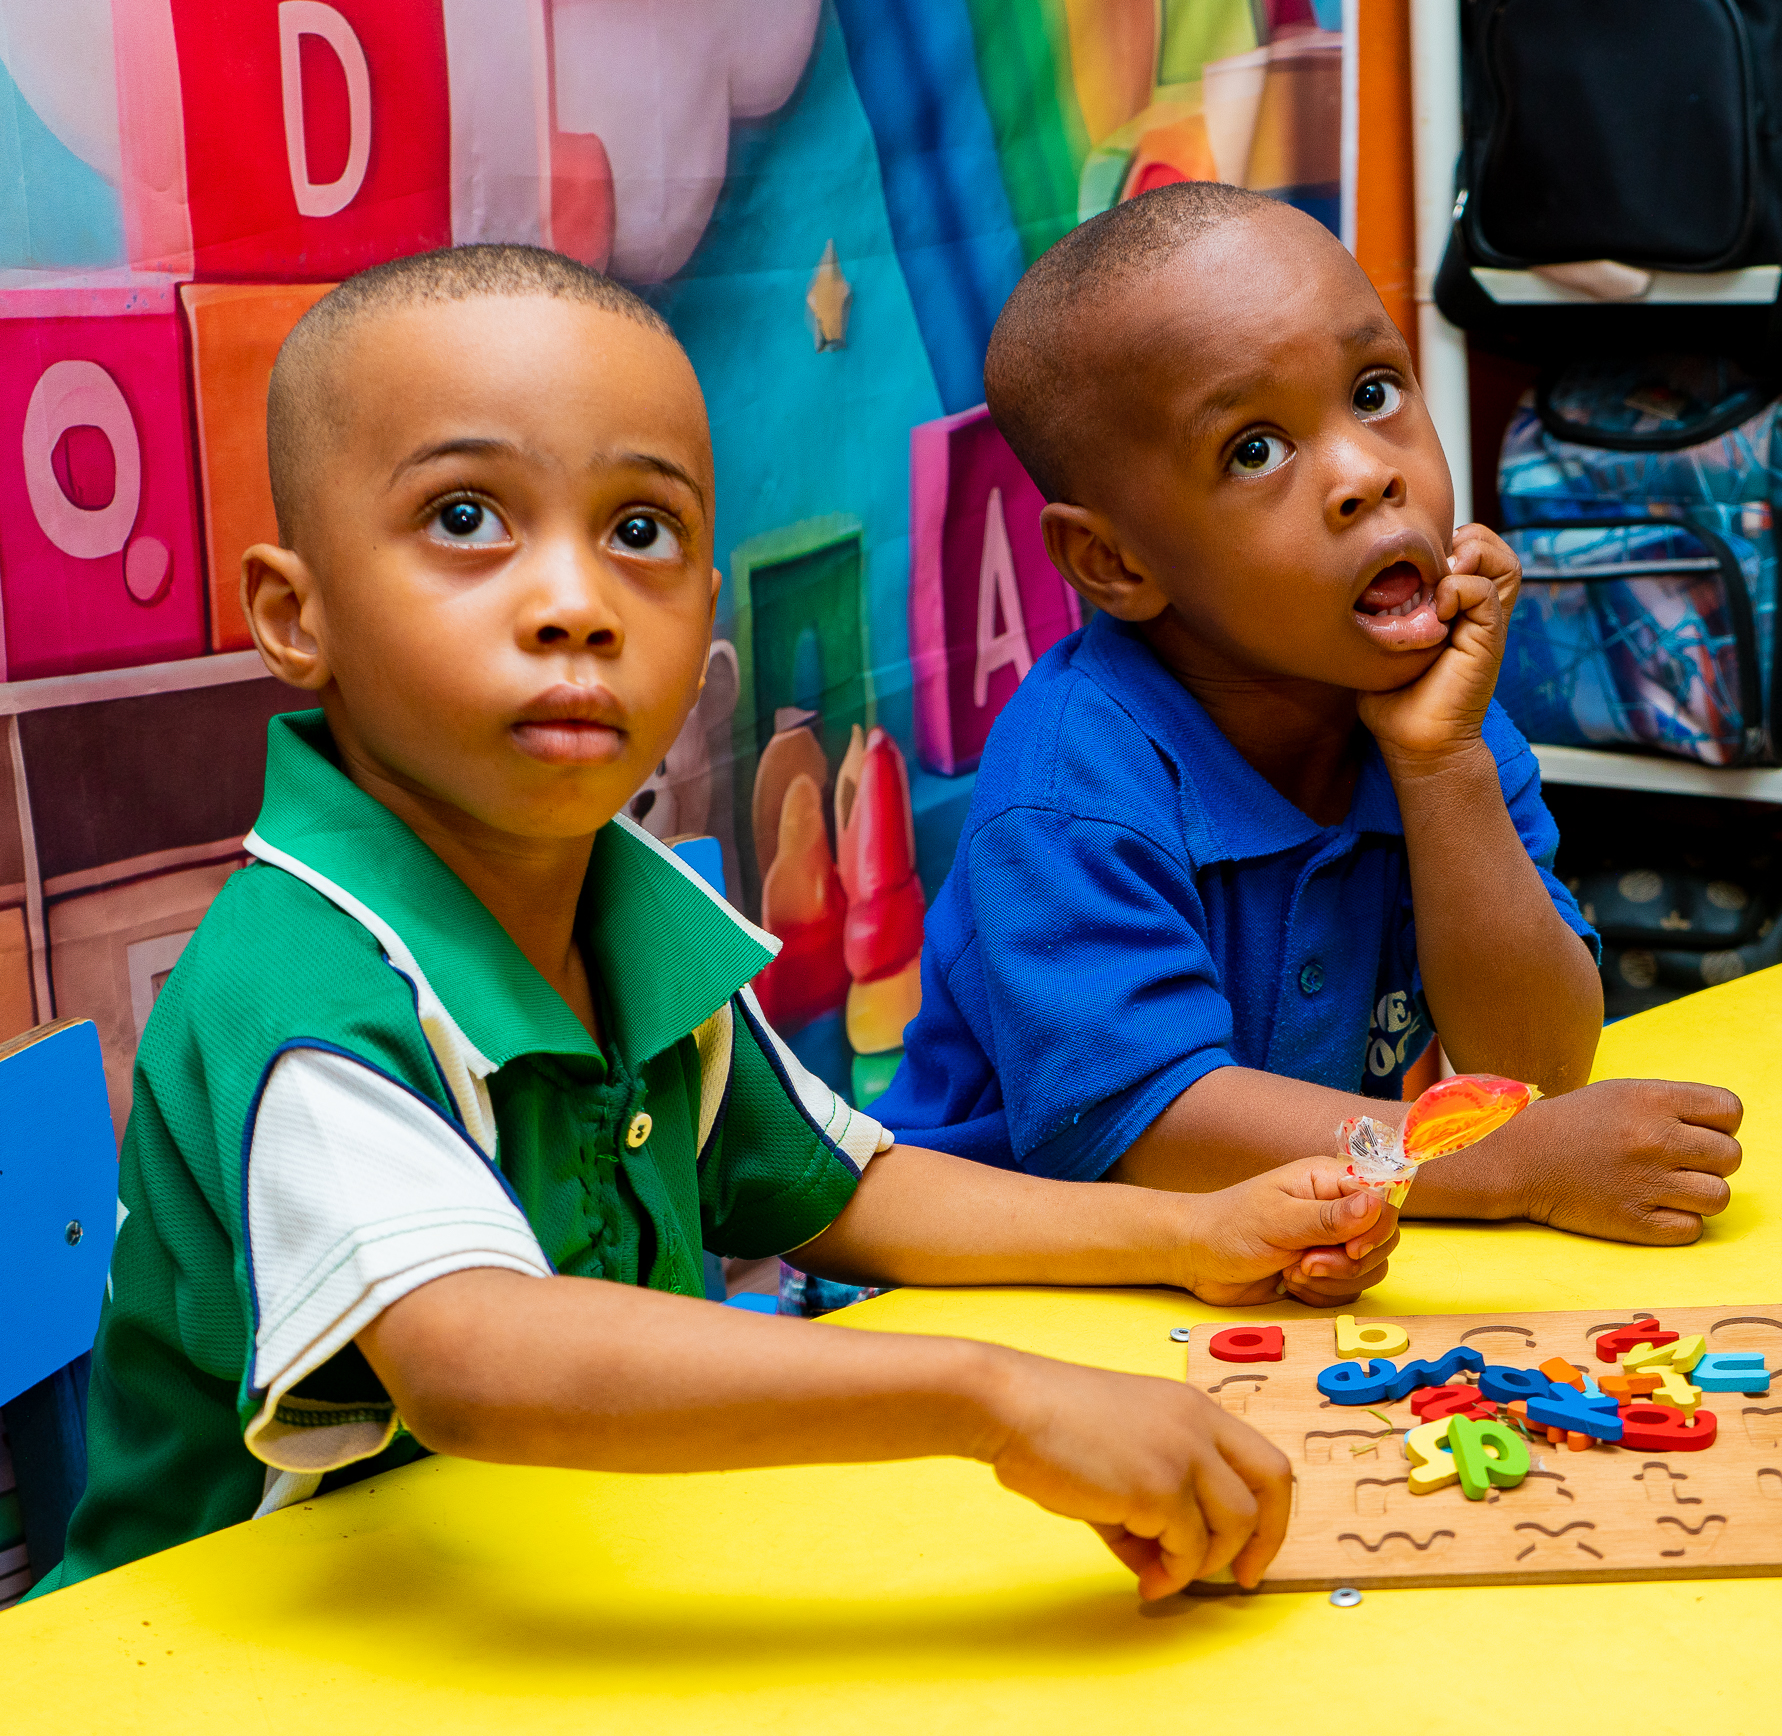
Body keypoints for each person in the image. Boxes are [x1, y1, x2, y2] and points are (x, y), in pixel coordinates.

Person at [36, 244, 1396, 1601]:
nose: (574, 608)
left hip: (560, 1582)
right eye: (465, 519)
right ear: (295, 612)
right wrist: (993, 1397)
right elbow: (475, 1362)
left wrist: (1192, 1234)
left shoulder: (624, 901)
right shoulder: (299, 987)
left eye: (640, 532)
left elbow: (844, 1189)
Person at [879, 183, 1745, 1245]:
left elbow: (1538, 1063)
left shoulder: (1438, 715)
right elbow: (1155, 1128)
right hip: (983, 1294)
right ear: (1114, 562)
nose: (1365, 475)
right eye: (1254, 449)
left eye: (1375, 391)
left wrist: (1443, 768)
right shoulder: (1074, 786)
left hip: (1252, 1271)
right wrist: (1503, 1162)